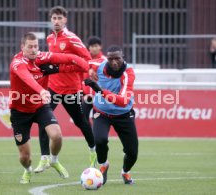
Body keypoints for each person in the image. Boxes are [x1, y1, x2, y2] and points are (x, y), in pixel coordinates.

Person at [9, 32, 90, 184]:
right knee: (25, 157)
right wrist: (41, 90)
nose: (34, 50)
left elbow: (65, 58)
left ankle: (53, 160)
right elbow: (27, 78)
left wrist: (86, 66)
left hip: (40, 106)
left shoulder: (42, 57)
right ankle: (27, 171)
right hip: (20, 111)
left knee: (57, 135)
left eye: (36, 46)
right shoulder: (17, 63)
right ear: (22, 47)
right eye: (30, 47)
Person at [35, 6, 97, 173]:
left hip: (71, 90)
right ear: (50, 20)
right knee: (43, 120)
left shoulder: (72, 38)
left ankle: (93, 150)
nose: (56, 21)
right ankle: (45, 159)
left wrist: (60, 69)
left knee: (81, 122)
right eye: (54, 18)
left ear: (65, 20)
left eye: (59, 18)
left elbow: (86, 61)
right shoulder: (49, 39)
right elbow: (54, 60)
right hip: (53, 88)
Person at [84, 45, 138, 185]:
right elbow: (81, 63)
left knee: (132, 152)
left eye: (117, 59)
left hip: (123, 114)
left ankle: (125, 172)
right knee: (100, 140)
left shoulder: (128, 74)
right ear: (106, 59)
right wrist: (88, 71)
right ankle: (103, 164)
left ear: (123, 58)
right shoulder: (99, 65)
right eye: (111, 59)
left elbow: (123, 101)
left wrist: (100, 91)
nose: (114, 62)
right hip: (101, 113)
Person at [82, 36, 107, 122]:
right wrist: (83, 94)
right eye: (92, 46)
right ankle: (90, 135)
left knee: (97, 119)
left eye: (96, 46)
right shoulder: (84, 60)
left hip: (98, 96)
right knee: (82, 120)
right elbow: (82, 79)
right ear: (88, 47)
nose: (94, 48)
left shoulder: (105, 61)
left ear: (100, 47)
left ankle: (96, 135)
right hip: (87, 96)